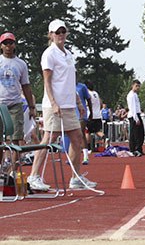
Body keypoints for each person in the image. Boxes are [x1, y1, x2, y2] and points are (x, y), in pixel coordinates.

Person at [28, 19, 97, 191]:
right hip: (54, 106)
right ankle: (34, 176)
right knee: (48, 139)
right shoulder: (49, 54)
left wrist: (78, 102)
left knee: (77, 138)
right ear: (50, 34)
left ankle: (75, 177)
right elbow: (47, 81)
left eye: (63, 31)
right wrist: (53, 103)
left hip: (68, 105)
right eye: (57, 32)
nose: (60, 35)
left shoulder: (68, 54)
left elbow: (69, 81)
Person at [0, 32, 36, 168]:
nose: (8, 46)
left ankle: (12, 172)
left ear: (14, 45)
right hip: (0, 104)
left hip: (15, 104)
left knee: (16, 139)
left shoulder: (21, 64)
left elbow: (26, 86)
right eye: (5, 43)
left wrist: (32, 107)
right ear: (1, 46)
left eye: (11, 43)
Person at [75, 80, 92, 165]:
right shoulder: (67, 86)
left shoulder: (82, 87)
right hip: (71, 113)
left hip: (81, 113)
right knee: (73, 136)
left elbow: (88, 99)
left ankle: (85, 156)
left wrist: (91, 112)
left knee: (81, 134)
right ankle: (74, 157)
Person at [85, 81, 104, 158]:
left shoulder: (87, 94)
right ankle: (105, 140)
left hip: (91, 115)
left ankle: (88, 148)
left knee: (87, 132)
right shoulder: (96, 93)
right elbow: (101, 104)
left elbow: (86, 103)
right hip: (98, 115)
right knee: (97, 131)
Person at [126, 80, 144, 157]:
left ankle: (137, 148)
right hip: (134, 115)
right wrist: (136, 118)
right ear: (132, 85)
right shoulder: (131, 95)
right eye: (136, 86)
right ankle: (135, 149)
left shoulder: (135, 95)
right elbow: (132, 107)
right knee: (136, 134)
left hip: (136, 114)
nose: (137, 88)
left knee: (138, 133)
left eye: (138, 86)